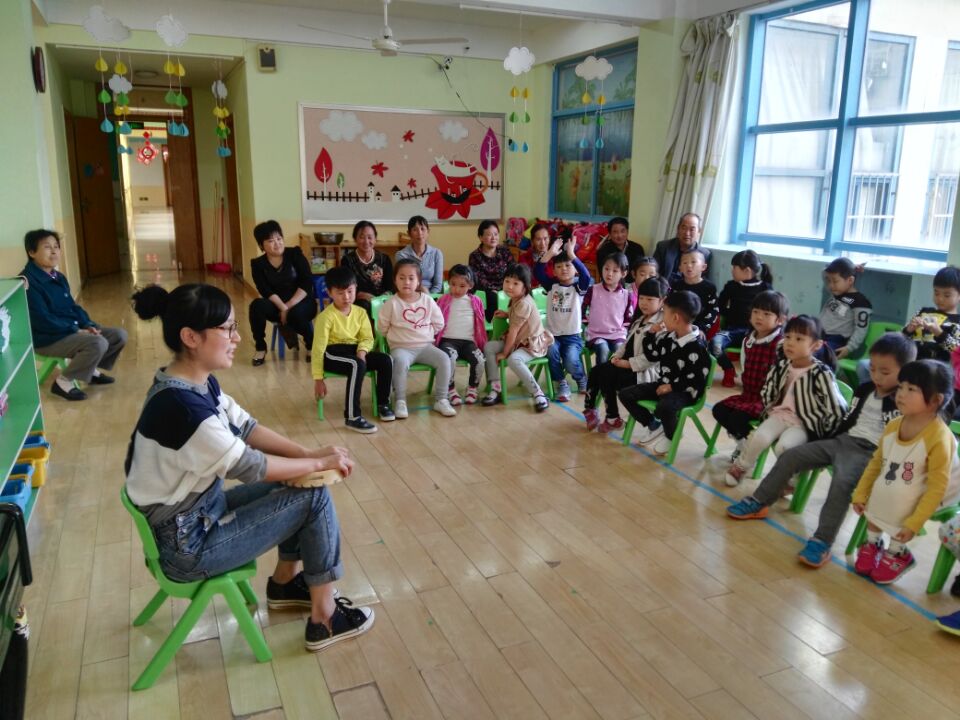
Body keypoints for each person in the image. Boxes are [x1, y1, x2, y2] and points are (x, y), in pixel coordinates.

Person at [126, 283, 374, 652]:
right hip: (187, 546)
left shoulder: (191, 383)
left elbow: (247, 428)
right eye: (227, 328)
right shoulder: (184, 409)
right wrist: (318, 462)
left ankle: (285, 584)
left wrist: (307, 454)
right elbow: (251, 465)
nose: (237, 337)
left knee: (301, 482)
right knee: (313, 497)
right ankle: (324, 619)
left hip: (195, 516)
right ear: (190, 337)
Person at [726, 333, 916, 568]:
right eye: (873, 369)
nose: (876, 376)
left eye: (884, 372)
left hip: (871, 453)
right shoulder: (865, 389)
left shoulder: (905, 401)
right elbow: (846, 420)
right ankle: (759, 501)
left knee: (841, 483)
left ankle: (822, 540)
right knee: (791, 456)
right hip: (841, 441)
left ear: (905, 372)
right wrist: (822, 438)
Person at [850, 359, 960, 584]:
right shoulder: (894, 425)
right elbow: (876, 463)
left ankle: (898, 552)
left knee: (902, 493)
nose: (901, 394)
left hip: (941, 493)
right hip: (904, 479)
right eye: (901, 386)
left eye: (912, 389)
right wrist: (860, 493)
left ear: (936, 400)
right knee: (883, 487)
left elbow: (937, 487)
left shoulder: (940, 438)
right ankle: (873, 542)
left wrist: (914, 524)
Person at [724, 315, 847, 487]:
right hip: (780, 415)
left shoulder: (821, 374)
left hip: (804, 423)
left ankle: (791, 479)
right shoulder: (781, 366)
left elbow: (836, 406)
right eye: (788, 337)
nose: (790, 343)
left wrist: (826, 434)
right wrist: (769, 406)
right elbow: (768, 389)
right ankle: (741, 466)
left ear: (816, 345)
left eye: (799, 339)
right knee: (760, 437)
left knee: (784, 447)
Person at [22, 229, 127, 401]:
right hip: (47, 338)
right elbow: (42, 320)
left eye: (56, 246)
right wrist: (75, 330)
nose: (54, 251)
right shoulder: (28, 282)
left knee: (119, 335)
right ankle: (63, 382)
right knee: (97, 343)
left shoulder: (58, 277)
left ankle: (89, 370)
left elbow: (73, 307)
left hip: (69, 329)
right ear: (32, 252)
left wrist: (87, 324)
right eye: (47, 247)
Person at [618, 290, 713, 456]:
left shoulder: (697, 347)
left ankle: (671, 435)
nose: (662, 318)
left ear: (675, 318)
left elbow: (698, 380)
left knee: (665, 407)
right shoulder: (669, 337)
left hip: (685, 391)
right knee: (626, 394)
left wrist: (672, 387)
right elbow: (652, 355)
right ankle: (653, 425)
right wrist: (651, 334)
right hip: (663, 384)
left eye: (665, 314)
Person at [312, 265, 395, 434]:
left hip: (355, 352)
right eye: (340, 293)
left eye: (350, 291)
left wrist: (362, 351)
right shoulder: (325, 317)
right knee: (357, 364)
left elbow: (367, 338)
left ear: (356, 288)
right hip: (332, 354)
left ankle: (383, 404)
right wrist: (318, 379)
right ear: (330, 293)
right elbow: (318, 349)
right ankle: (352, 416)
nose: (346, 297)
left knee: (386, 360)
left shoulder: (360, 312)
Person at [583, 276, 669, 433]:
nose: (644, 303)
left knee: (605, 374)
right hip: (627, 367)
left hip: (643, 374)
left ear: (662, 301)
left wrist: (628, 364)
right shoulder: (640, 319)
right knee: (598, 371)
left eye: (650, 299)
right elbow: (626, 344)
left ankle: (611, 417)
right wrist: (615, 357)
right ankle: (595, 411)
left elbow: (653, 358)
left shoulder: (662, 325)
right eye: (641, 298)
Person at [711, 290, 788, 462]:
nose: (759, 317)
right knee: (719, 410)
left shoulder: (782, 344)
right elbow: (745, 365)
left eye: (766, 314)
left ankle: (749, 452)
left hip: (769, 401)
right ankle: (744, 443)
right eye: (756, 312)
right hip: (749, 395)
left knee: (738, 418)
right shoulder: (748, 340)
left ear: (780, 320)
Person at [378, 259, 456, 418]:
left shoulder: (427, 300)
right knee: (399, 363)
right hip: (401, 348)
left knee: (444, 359)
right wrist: (396, 339)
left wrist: (426, 334)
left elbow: (439, 323)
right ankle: (400, 401)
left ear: (419, 281)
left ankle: (441, 399)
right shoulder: (391, 303)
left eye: (411, 278)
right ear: (395, 280)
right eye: (401, 278)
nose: (406, 282)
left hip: (426, 347)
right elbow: (382, 327)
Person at [481, 263, 554, 412]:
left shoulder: (524, 303)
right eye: (507, 281)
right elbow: (518, 319)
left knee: (513, 359)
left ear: (525, 287)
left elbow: (513, 332)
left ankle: (538, 393)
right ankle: (496, 387)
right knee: (489, 347)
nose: (509, 286)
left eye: (515, 283)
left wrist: (504, 353)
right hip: (518, 341)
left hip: (530, 344)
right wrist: (507, 314)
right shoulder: (515, 299)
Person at [248, 220, 317, 366]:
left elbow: (306, 282)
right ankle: (260, 347)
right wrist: (283, 307)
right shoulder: (258, 264)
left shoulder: (295, 254)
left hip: (302, 301)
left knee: (296, 314)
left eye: (279, 238)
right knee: (256, 306)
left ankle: (311, 343)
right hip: (277, 305)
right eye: (270, 241)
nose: (277, 243)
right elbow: (264, 290)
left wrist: (288, 306)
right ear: (261, 245)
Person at [534, 239, 593, 402]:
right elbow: (537, 272)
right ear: (554, 271)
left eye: (568, 265)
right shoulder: (551, 285)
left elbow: (586, 275)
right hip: (552, 335)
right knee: (551, 352)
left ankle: (581, 378)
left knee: (571, 361)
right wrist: (550, 253)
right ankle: (561, 382)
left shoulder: (579, 287)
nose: (564, 269)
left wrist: (572, 255)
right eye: (559, 267)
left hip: (572, 336)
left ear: (575, 270)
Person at [711, 250, 774, 387]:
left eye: (734, 267)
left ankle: (753, 378)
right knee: (715, 344)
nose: (732, 271)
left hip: (755, 334)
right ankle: (729, 370)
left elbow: (770, 311)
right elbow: (719, 305)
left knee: (765, 351)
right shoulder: (731, 286)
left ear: (747, 270)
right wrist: (730, 314)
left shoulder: (765, 288)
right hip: (732, 331)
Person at [436, 264, 487, 405]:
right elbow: (436, 321)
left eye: (462, 286)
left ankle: (472, 388)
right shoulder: (443, 300)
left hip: (468, 341)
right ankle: (450, 388)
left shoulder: (475, 301)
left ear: (470, 285)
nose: (457, 289)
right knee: (450, 358)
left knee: (479, 360)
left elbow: (480, 322)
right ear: (448, 283)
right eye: (453, 284)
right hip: (447, 340)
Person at [582, 251, 635, 366]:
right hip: (596, 333)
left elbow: (628, 318)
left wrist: (624, 330)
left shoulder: (626, 295)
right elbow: (582, 307)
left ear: (623, 273)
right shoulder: (593, 290)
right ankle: (601, 377)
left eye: (615, 271)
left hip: (617, 334)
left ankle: (614, 377)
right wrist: (586, 322)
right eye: (606, 269)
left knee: (620, 350)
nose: (609, 274)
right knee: (603, 349)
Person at [819, 257, 872, 359]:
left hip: (836, 341)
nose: (831, 285)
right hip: (818, 334)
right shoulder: (835, 292)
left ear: (850, 280)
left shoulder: (861, 303)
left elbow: (861, 329)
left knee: (814, 353)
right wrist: (852, 267)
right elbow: (824, 273)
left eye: (835, 281)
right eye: (829, 281)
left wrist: (849, 348)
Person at [341, 221, 393, 314]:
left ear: (375, 239)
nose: (366, 241)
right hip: (360, 301)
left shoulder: (384, 259)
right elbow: (347, 286)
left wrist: (385, 296)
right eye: (361, 237)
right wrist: (363, 295)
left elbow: (391, 285)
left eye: (370, 237)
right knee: (364, 306)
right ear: (355, 239)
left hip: (382, 299)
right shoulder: (347, 260)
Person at [469, 219, 514, 322]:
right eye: (489, 235)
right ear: (481, 237)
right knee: (492, 296)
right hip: (486, 291)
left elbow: (513, 270)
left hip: (506, 287)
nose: (494, 237)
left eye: (496, 234)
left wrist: (505, 287)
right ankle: (494, 324)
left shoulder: (504, 251)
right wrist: (493, 290)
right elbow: (478, 279)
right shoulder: (475, 256)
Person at [670, 249, 718, 336]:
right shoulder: (676, 286)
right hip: (676, 326)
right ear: (680, 268)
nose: (689, 265)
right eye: (685, 263)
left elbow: (712, 311)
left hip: (698, 329)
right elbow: (670, 307)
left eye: (693, 262)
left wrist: (702, 329)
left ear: (703, 267)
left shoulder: (709, 288)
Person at [653, 213, 711, 284]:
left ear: (699, 231)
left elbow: (702, 281)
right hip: (664, 287)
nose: (687, 233)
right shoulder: (663, 247)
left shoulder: (704, 254)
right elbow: (653, 272)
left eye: (692, 229)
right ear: (678, 229)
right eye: (684, 228)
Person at [395, 215, 444, 294]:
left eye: (422, 229)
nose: (420, 233)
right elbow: (403, 283)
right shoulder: (402, 255)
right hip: (409, 294)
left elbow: (438, 285)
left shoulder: (437, 253)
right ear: (409, 233)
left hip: (432, 295)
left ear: (428, 231)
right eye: (415, 229)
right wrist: (420, 292)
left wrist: (428, 298)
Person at [595, 217, 646, 283]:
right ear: (610, 234)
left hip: (633, 286)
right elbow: (603, 275)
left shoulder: (637, 249)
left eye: (622, 231)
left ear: (627, 231)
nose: (619, 235)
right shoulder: (603, 251)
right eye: (615, 232)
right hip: (611, 285)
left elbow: (641, 271)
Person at [518, 223, 554, 289]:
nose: (543, 243)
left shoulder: (555, 257)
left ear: (549, 238)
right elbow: (523, 281)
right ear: (532, 242)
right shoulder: (524, 258)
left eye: (545, 238)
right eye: (538, 239)